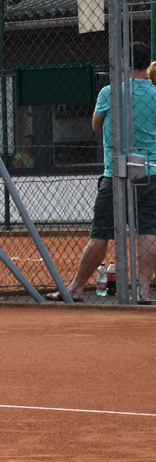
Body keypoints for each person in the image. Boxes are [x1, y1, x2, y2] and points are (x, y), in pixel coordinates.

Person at [49, 45, 156, 301]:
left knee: (101, 232)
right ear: (147, 64)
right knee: (148, 230)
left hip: (116, 170)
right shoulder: (155, 93)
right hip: (149, 168)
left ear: (124, 62)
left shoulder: (110, 92)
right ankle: (143, 291)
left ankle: (76, 288)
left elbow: (96, 125)